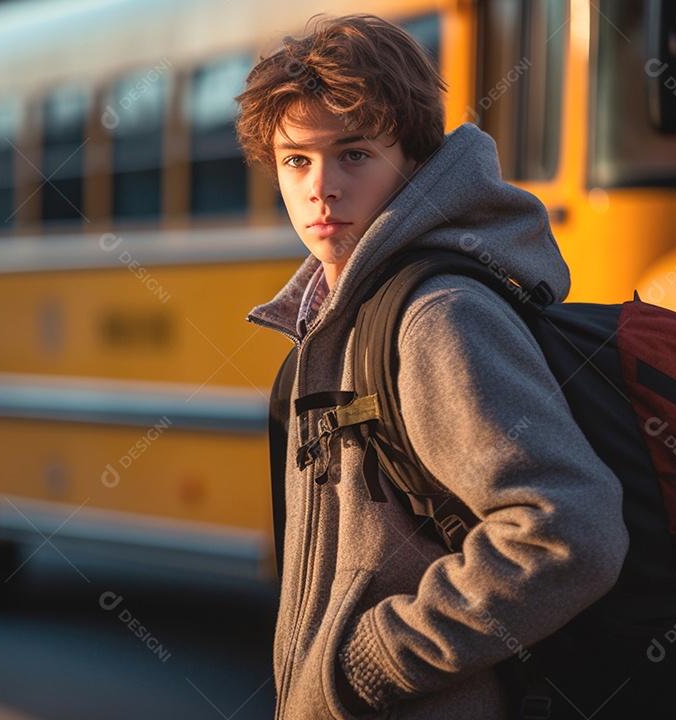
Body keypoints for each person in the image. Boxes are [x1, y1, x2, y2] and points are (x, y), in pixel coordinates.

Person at [238, 15, 629, 718]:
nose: (320, 187)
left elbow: (570, 530)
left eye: (353, 154)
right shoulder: (340, 313)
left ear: (414, 160)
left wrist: (372, 662)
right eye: (297, 160)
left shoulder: (436, 315)